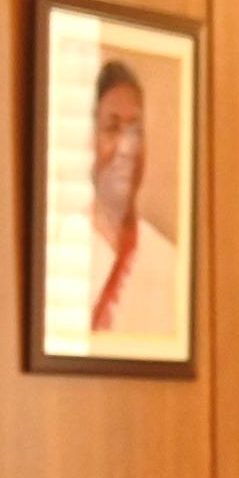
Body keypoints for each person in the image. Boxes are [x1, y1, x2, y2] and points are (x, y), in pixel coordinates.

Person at [76, 57, 185, 345]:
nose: (127, 148)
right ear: (89, 140)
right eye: (112, 129)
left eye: (135, 131)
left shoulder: (169, 264)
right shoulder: (61, 250)